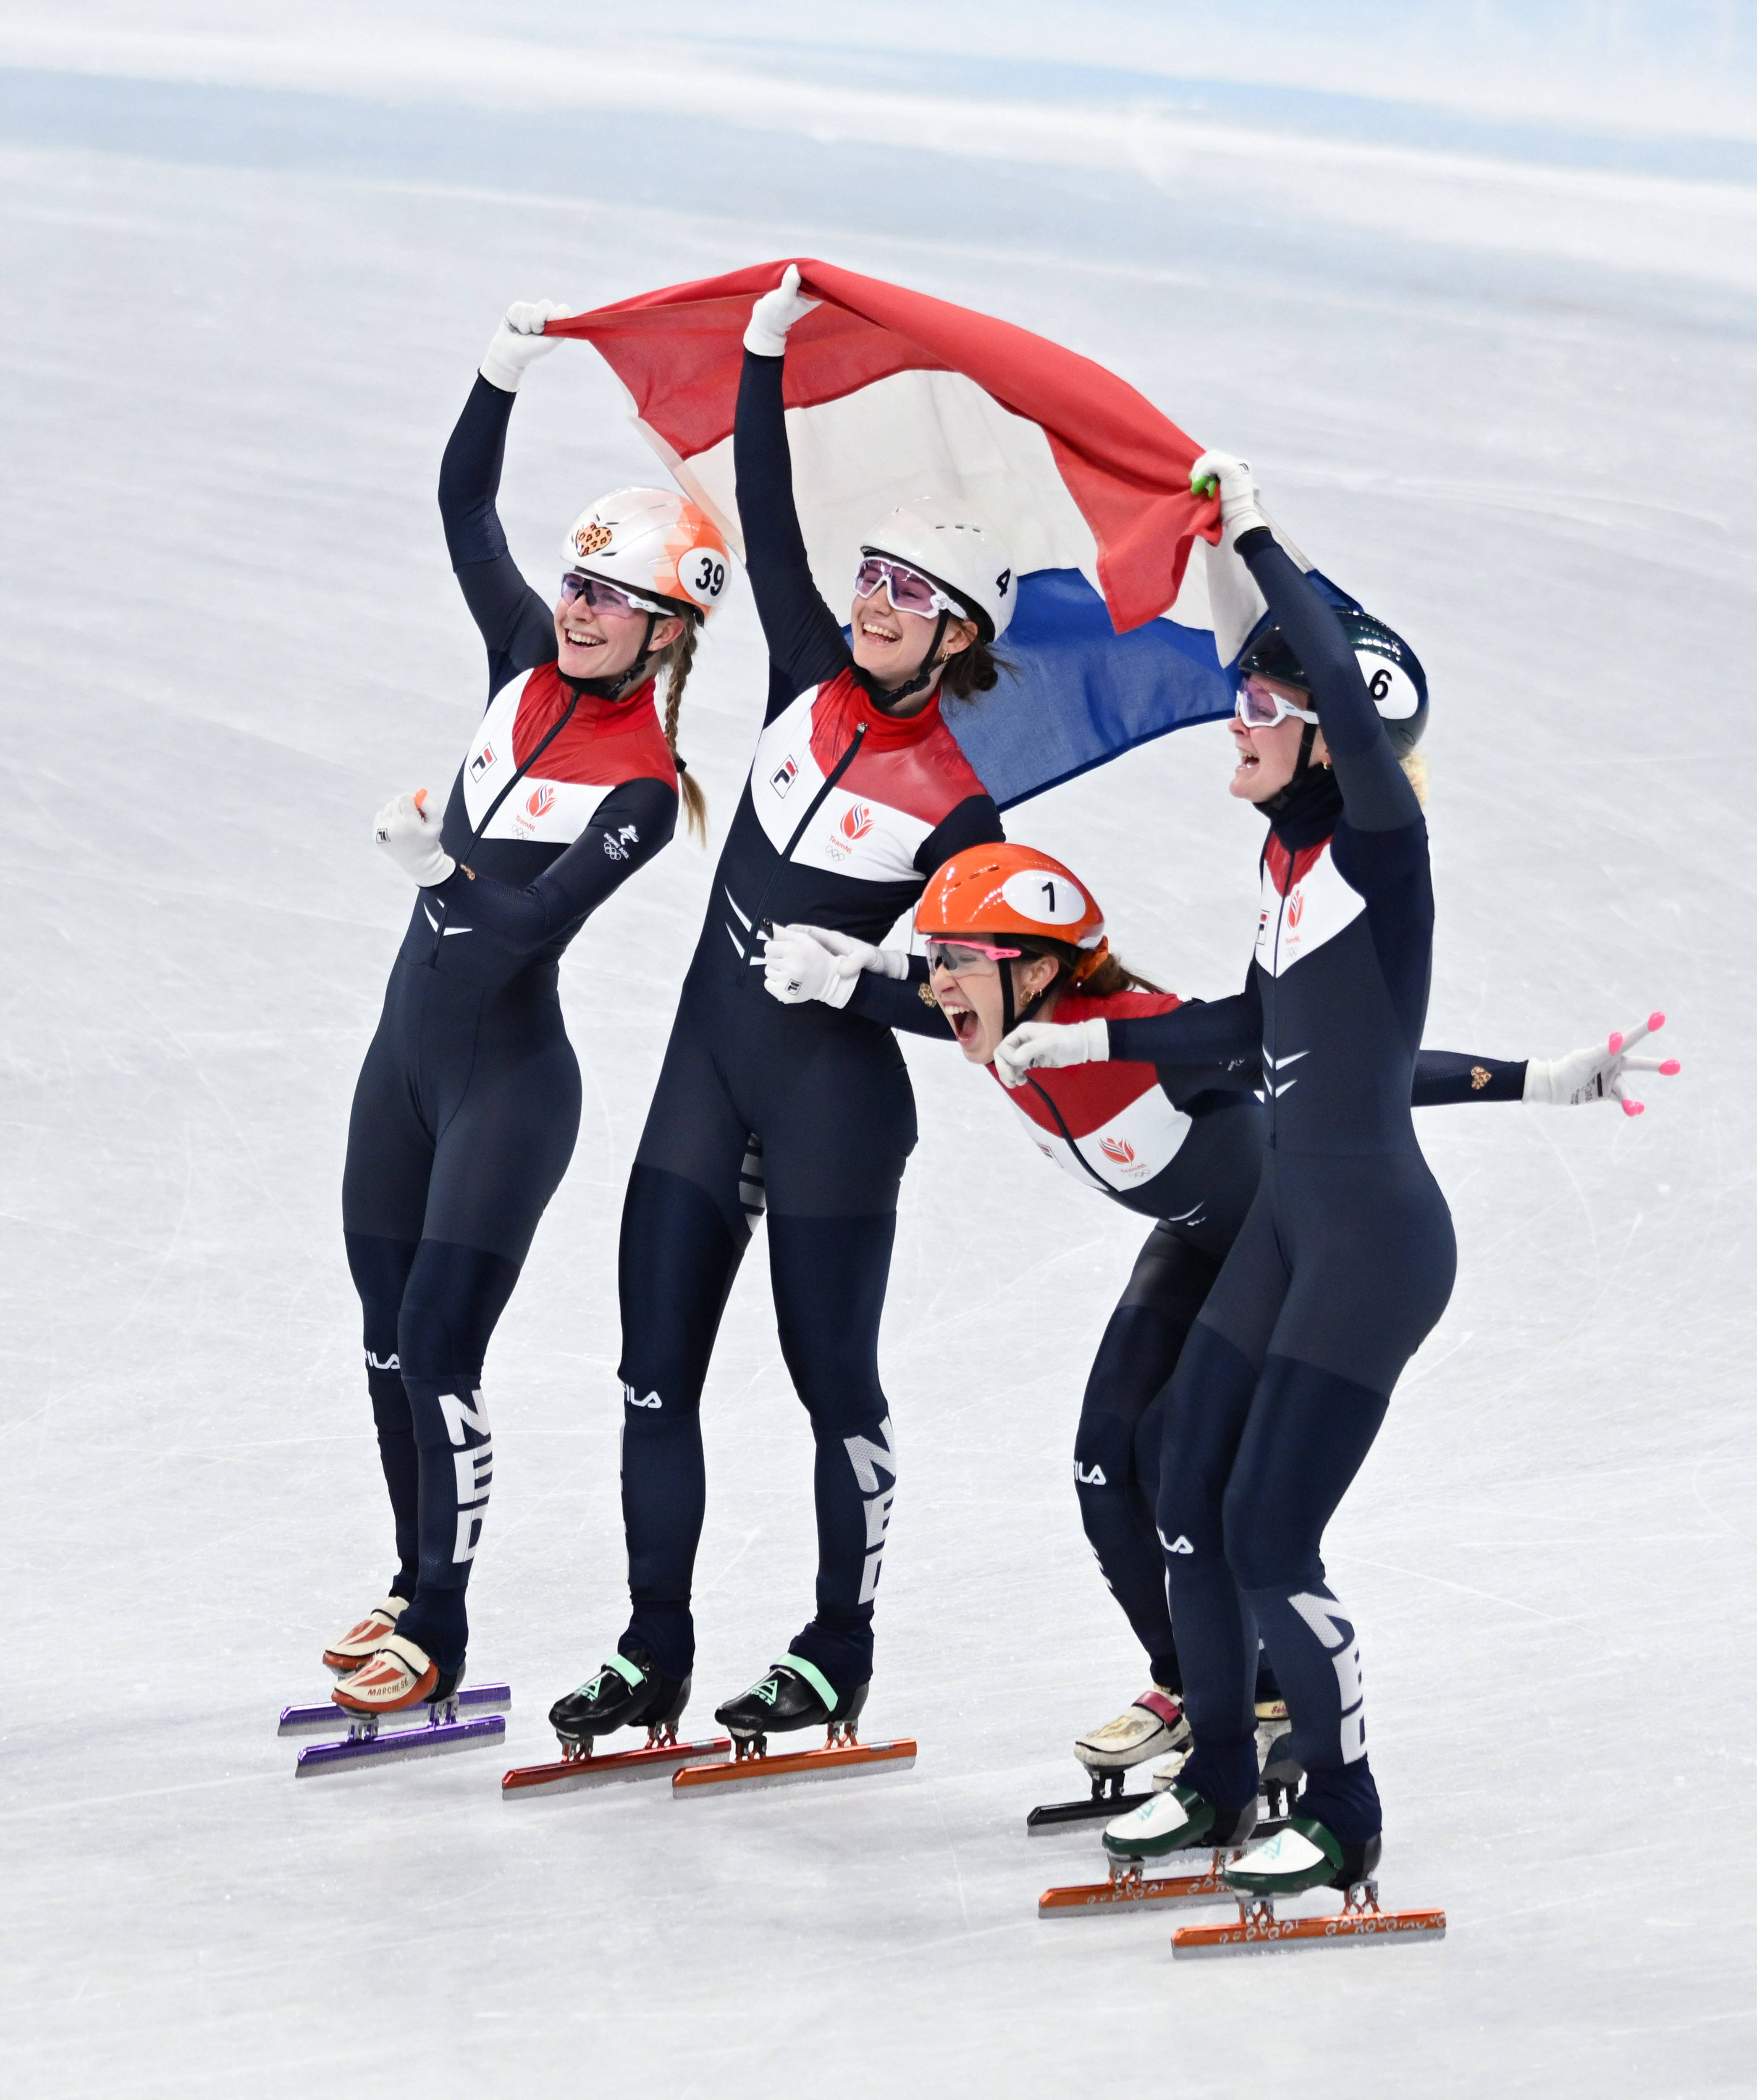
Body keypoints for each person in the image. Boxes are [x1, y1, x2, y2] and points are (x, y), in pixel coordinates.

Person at [771, 845, 1671, 1799]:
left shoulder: (1134, 1031)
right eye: (934, 955)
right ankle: (1200, 1687)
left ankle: (1266, 1698)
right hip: (1191, 1237)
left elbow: (1349, 1072)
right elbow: (926, 1000)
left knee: (1173, 1462)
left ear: (1036, 971)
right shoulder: (998, 1012)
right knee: (1099, 1465)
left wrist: (1536, 1078)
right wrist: (845, 981)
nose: (939, 980)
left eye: (956, 958)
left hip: (1271, 1251)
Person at [546, 265, 1017, 1756]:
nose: (874, 604)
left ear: (957, 638)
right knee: (650, 1374)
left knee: (833, 1393)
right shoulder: (803, 669)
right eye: (871, 579)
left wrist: (867, 979)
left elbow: (974, 1016)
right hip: (707, 1073)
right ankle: (651, 1652)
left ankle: (835, 1651)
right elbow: (766, 494)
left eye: (909, 596)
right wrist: (763, 351)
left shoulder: (962, 812)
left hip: (832, 1110)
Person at [323, 299, 729, 1717]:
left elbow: (522, 935)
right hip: (404, 1063)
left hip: (506, 1086)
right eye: (576, 577)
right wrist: (503, 372)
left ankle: (440, 1627)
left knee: (440, 1345)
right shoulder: (516, 653)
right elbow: (462, 499)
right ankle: (408, 1576)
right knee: (383, 1338)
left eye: (611, 595)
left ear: (667, 633)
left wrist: (437, 867)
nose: (576, 602)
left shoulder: (637, 787)